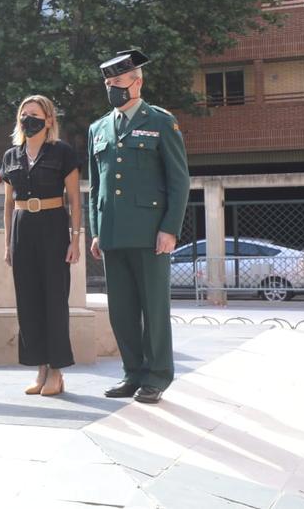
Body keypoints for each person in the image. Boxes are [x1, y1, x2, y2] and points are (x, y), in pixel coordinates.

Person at [89, 49, 190, 405]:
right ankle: (132, 372)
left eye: (118, 82)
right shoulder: (98, 128)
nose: (113, 88)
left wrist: (170, 228)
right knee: (122, 309)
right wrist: (96, 230)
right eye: (108, 84)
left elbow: (179, 181)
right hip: (113, 233)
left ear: (137, 81)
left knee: (154, 307)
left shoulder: (160, 121)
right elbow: (96, 185)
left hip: (150, 233)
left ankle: (158, 375)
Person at [0, 95, 81, 396]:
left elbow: (74, 199)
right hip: (23, 228)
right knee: (29, 302)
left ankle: (57, 372)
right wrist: (8, 243)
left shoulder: (62, 152)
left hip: (53, 226)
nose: (27, 119)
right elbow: (8, 203)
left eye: (34, 114)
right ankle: (40, 369)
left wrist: (75, 239)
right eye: (23, 114)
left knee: (54, 301)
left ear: (48, 120)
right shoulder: (11, 155)